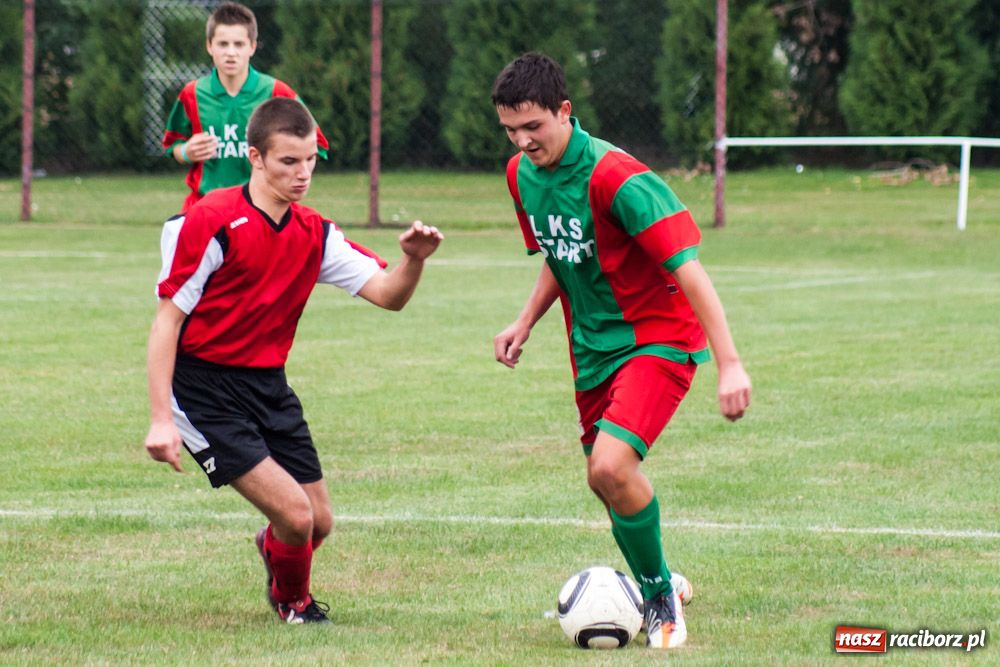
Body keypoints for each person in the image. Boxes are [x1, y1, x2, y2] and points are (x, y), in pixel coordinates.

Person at [145, 97, 443, 624]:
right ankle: (295, 604)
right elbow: (167, 322)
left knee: (318, 523)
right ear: (256, 158)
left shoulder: (315, 232)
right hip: (204, 389)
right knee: (295, 515)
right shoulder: (214, 219)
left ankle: (279, 547)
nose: (303, 173)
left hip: (268, 387)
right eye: (288, 162)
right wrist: (162, 420)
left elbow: (388, 295)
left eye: (310, 160)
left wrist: (413, 261)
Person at [491, 53, 751, 649]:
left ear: (564, 111)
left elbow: (689, 270)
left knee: (610, 465)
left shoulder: (619, 178)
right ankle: (664, 579)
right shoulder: (520, 175)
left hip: (657, 339)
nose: (524, 141)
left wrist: (730, 362)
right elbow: (565, 255)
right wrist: (524, 321)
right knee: (603, 479)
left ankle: (659, 599)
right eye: (511, 130)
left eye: (534, 127)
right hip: (591, 350)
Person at [161, 2, 330, 212]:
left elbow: (317, 145)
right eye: (223, 44)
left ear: (252, 46)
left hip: (261, 209)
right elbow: (171, 146)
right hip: (206, 207)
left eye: (239, 44)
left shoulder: (276, 92)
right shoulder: (192, 94)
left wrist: (284, 157)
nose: (231, 53)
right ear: (209, 46)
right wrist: (186, 151)